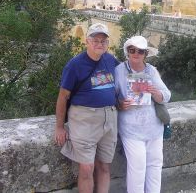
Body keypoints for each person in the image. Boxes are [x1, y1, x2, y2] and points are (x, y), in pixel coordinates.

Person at [54, 23, 120, 193]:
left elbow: (125, 79)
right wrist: (60, 127)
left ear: (107, 43)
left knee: (105, 166)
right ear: (87, 41)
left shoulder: (110, 59)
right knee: (86, 168)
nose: (100, 44)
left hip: (109, 118)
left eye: (103, 41)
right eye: (95, 40)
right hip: (84, 119)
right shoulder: (75, 65)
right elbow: (63, 97)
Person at [115, 36, 171, 193]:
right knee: (137, 169)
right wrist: (120, 104)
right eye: (132, 50)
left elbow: (166, 95)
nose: (136, 54)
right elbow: (111, 98)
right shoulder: (119, 71)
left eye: (140, 51)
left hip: (154, 128)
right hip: (131, 129)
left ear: (145, 53)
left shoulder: (151, 71)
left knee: (155, 167)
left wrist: (155, 92)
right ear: (127, 51)